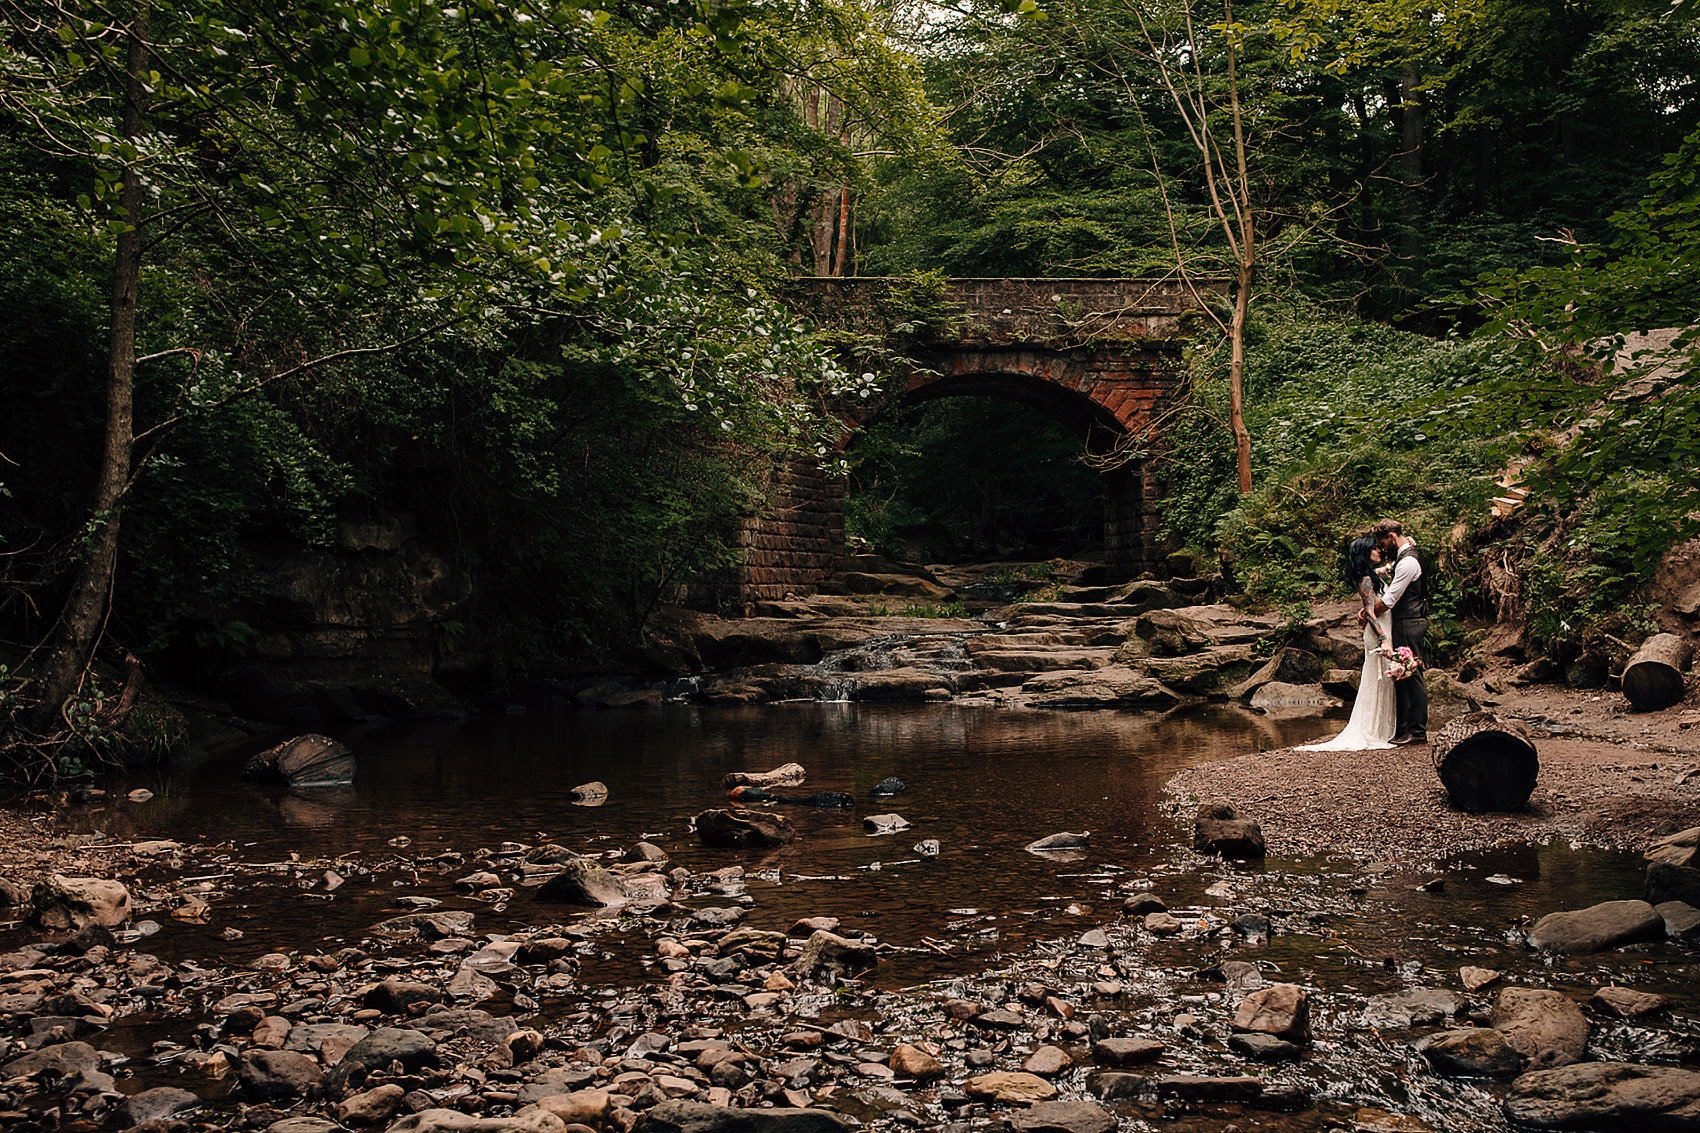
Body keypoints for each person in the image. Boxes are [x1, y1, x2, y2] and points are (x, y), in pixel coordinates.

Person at [1299, 535, 1396, 751]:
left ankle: (1383, 727)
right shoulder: (1366, 580)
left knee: (1385, 679)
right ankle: (1373, 729)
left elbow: (1385, 570)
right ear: (1365, 553)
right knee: (1378, 678)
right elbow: (1370, 613)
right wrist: (1384, 640)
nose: (1380, 551)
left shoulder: (1372, 575)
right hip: (1379, 633)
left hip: (1385, 630)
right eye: (1375, 549)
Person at [1369, 519, 1428, 745]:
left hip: (1409, 621)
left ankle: (1418, 730)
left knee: (1412, 673)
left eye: (1383, 542)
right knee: (1402, 673)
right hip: (1406, 621)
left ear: (1392, 537)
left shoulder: (1408, 563)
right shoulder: (1403, 558)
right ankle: (1404, 728)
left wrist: (1367, 612)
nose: (1382, 547)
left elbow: (1390, 600)